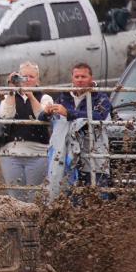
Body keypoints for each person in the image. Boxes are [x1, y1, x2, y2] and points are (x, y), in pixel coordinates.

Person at [42, 62, 111, 192]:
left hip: (95, 152)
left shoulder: (101, 98)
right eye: (77, 76)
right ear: (72, 78)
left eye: (83, 77)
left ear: (91, 79)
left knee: (97, 194)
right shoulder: (64, 97)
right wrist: (46, 113)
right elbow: (43, 119)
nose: (79, 80)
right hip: (68, 154)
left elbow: (99, 117)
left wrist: (69, 113)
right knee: (71, 195)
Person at [0, 61, 54, 202]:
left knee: (36, 197)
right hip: (11, 155)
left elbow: (43, 118)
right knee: (15, 198)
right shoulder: (8, 97)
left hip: (38, 154)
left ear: (38, 81)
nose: (27, 80)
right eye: (23, 76)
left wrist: (31, 96)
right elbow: (6, 116)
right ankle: (18, 224)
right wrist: (11, 89)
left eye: (31, 77)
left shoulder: (45, 98)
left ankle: (35, 224)